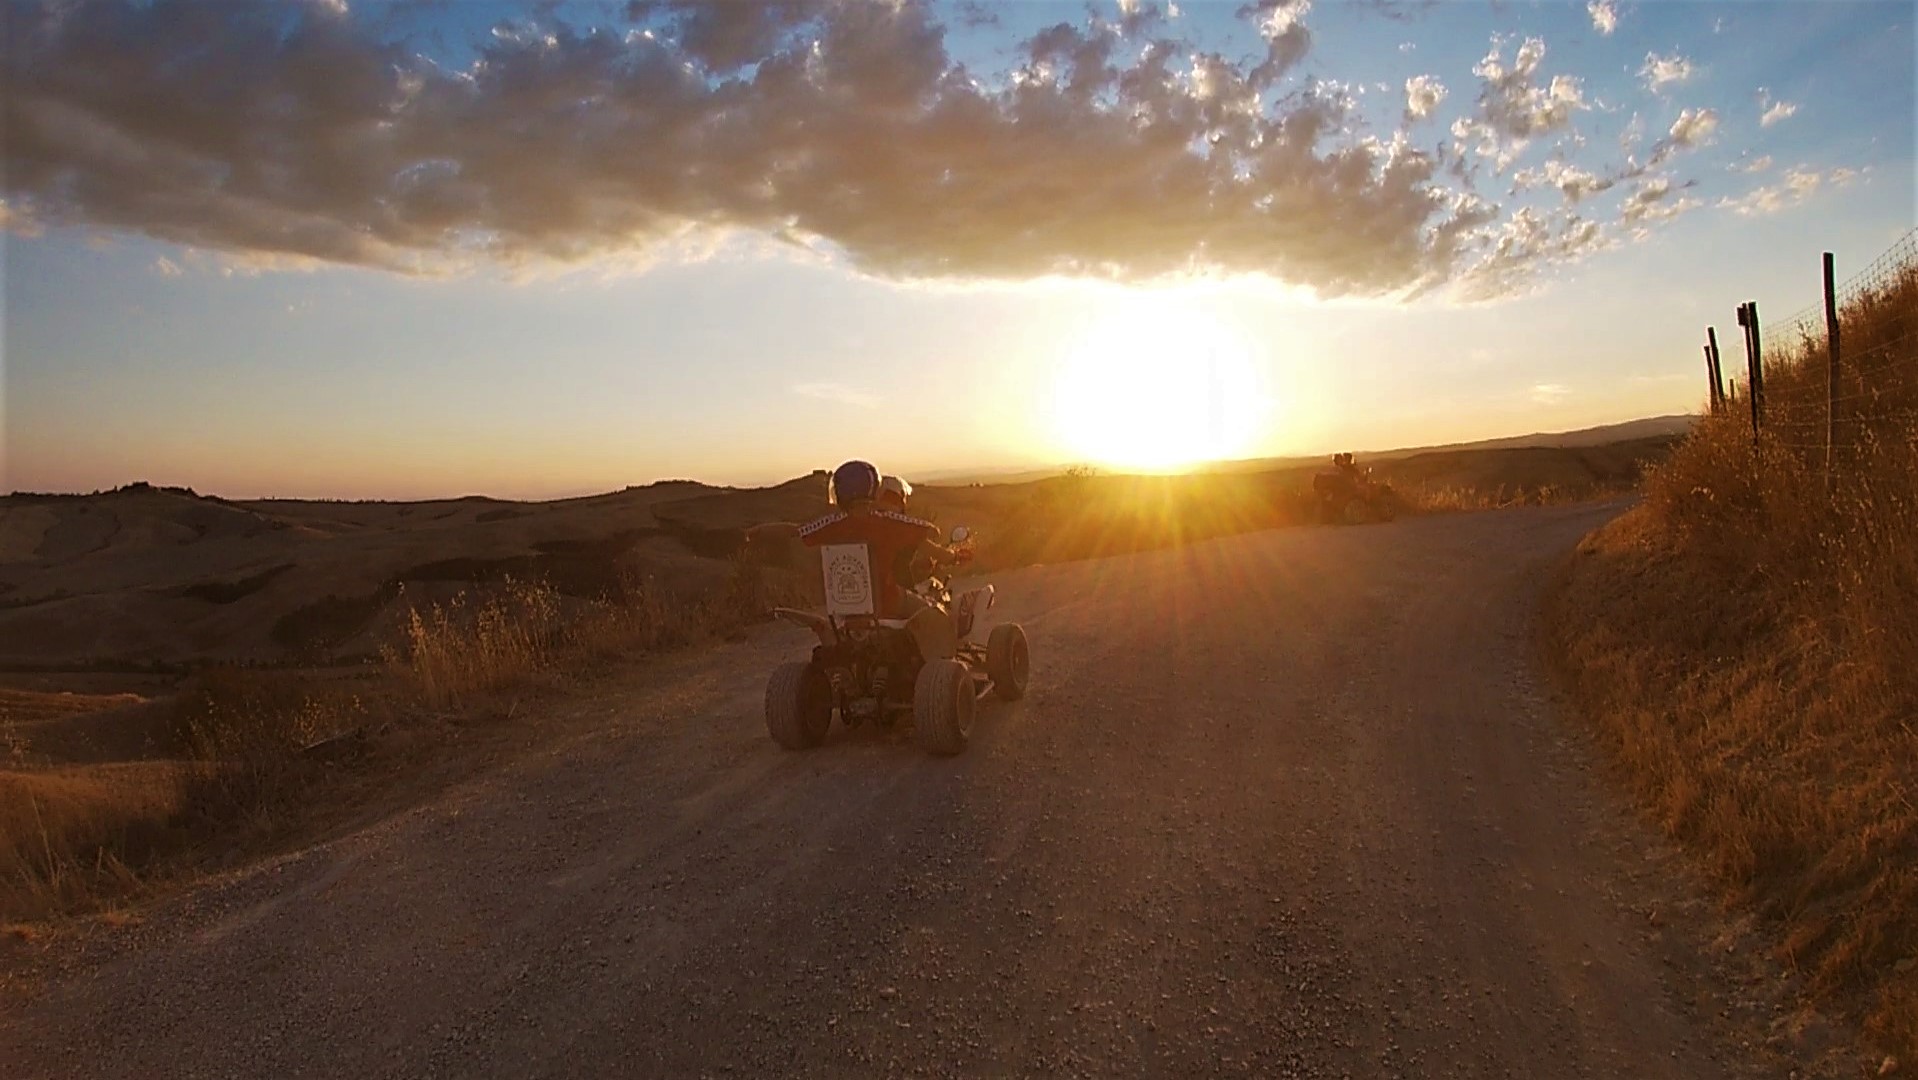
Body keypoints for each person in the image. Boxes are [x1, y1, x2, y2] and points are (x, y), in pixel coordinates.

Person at [799, 461, 967, 660]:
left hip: (844, 612)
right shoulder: (888, 522)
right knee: (937, 617)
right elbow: (928, 533)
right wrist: (954, 555)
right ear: (872, 489)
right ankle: (943, 666)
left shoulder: (831, 526)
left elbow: (795, 532)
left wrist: (756, 533)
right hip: (889, 603)